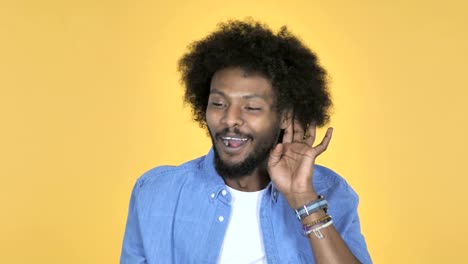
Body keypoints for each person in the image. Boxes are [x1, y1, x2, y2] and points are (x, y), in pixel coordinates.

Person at [121, 19, 372, 264]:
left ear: (284, 116)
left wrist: (304, 200)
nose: (230, 119)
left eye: (251, 107)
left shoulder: (331, 192)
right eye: (218, 104)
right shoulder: (155, 193)